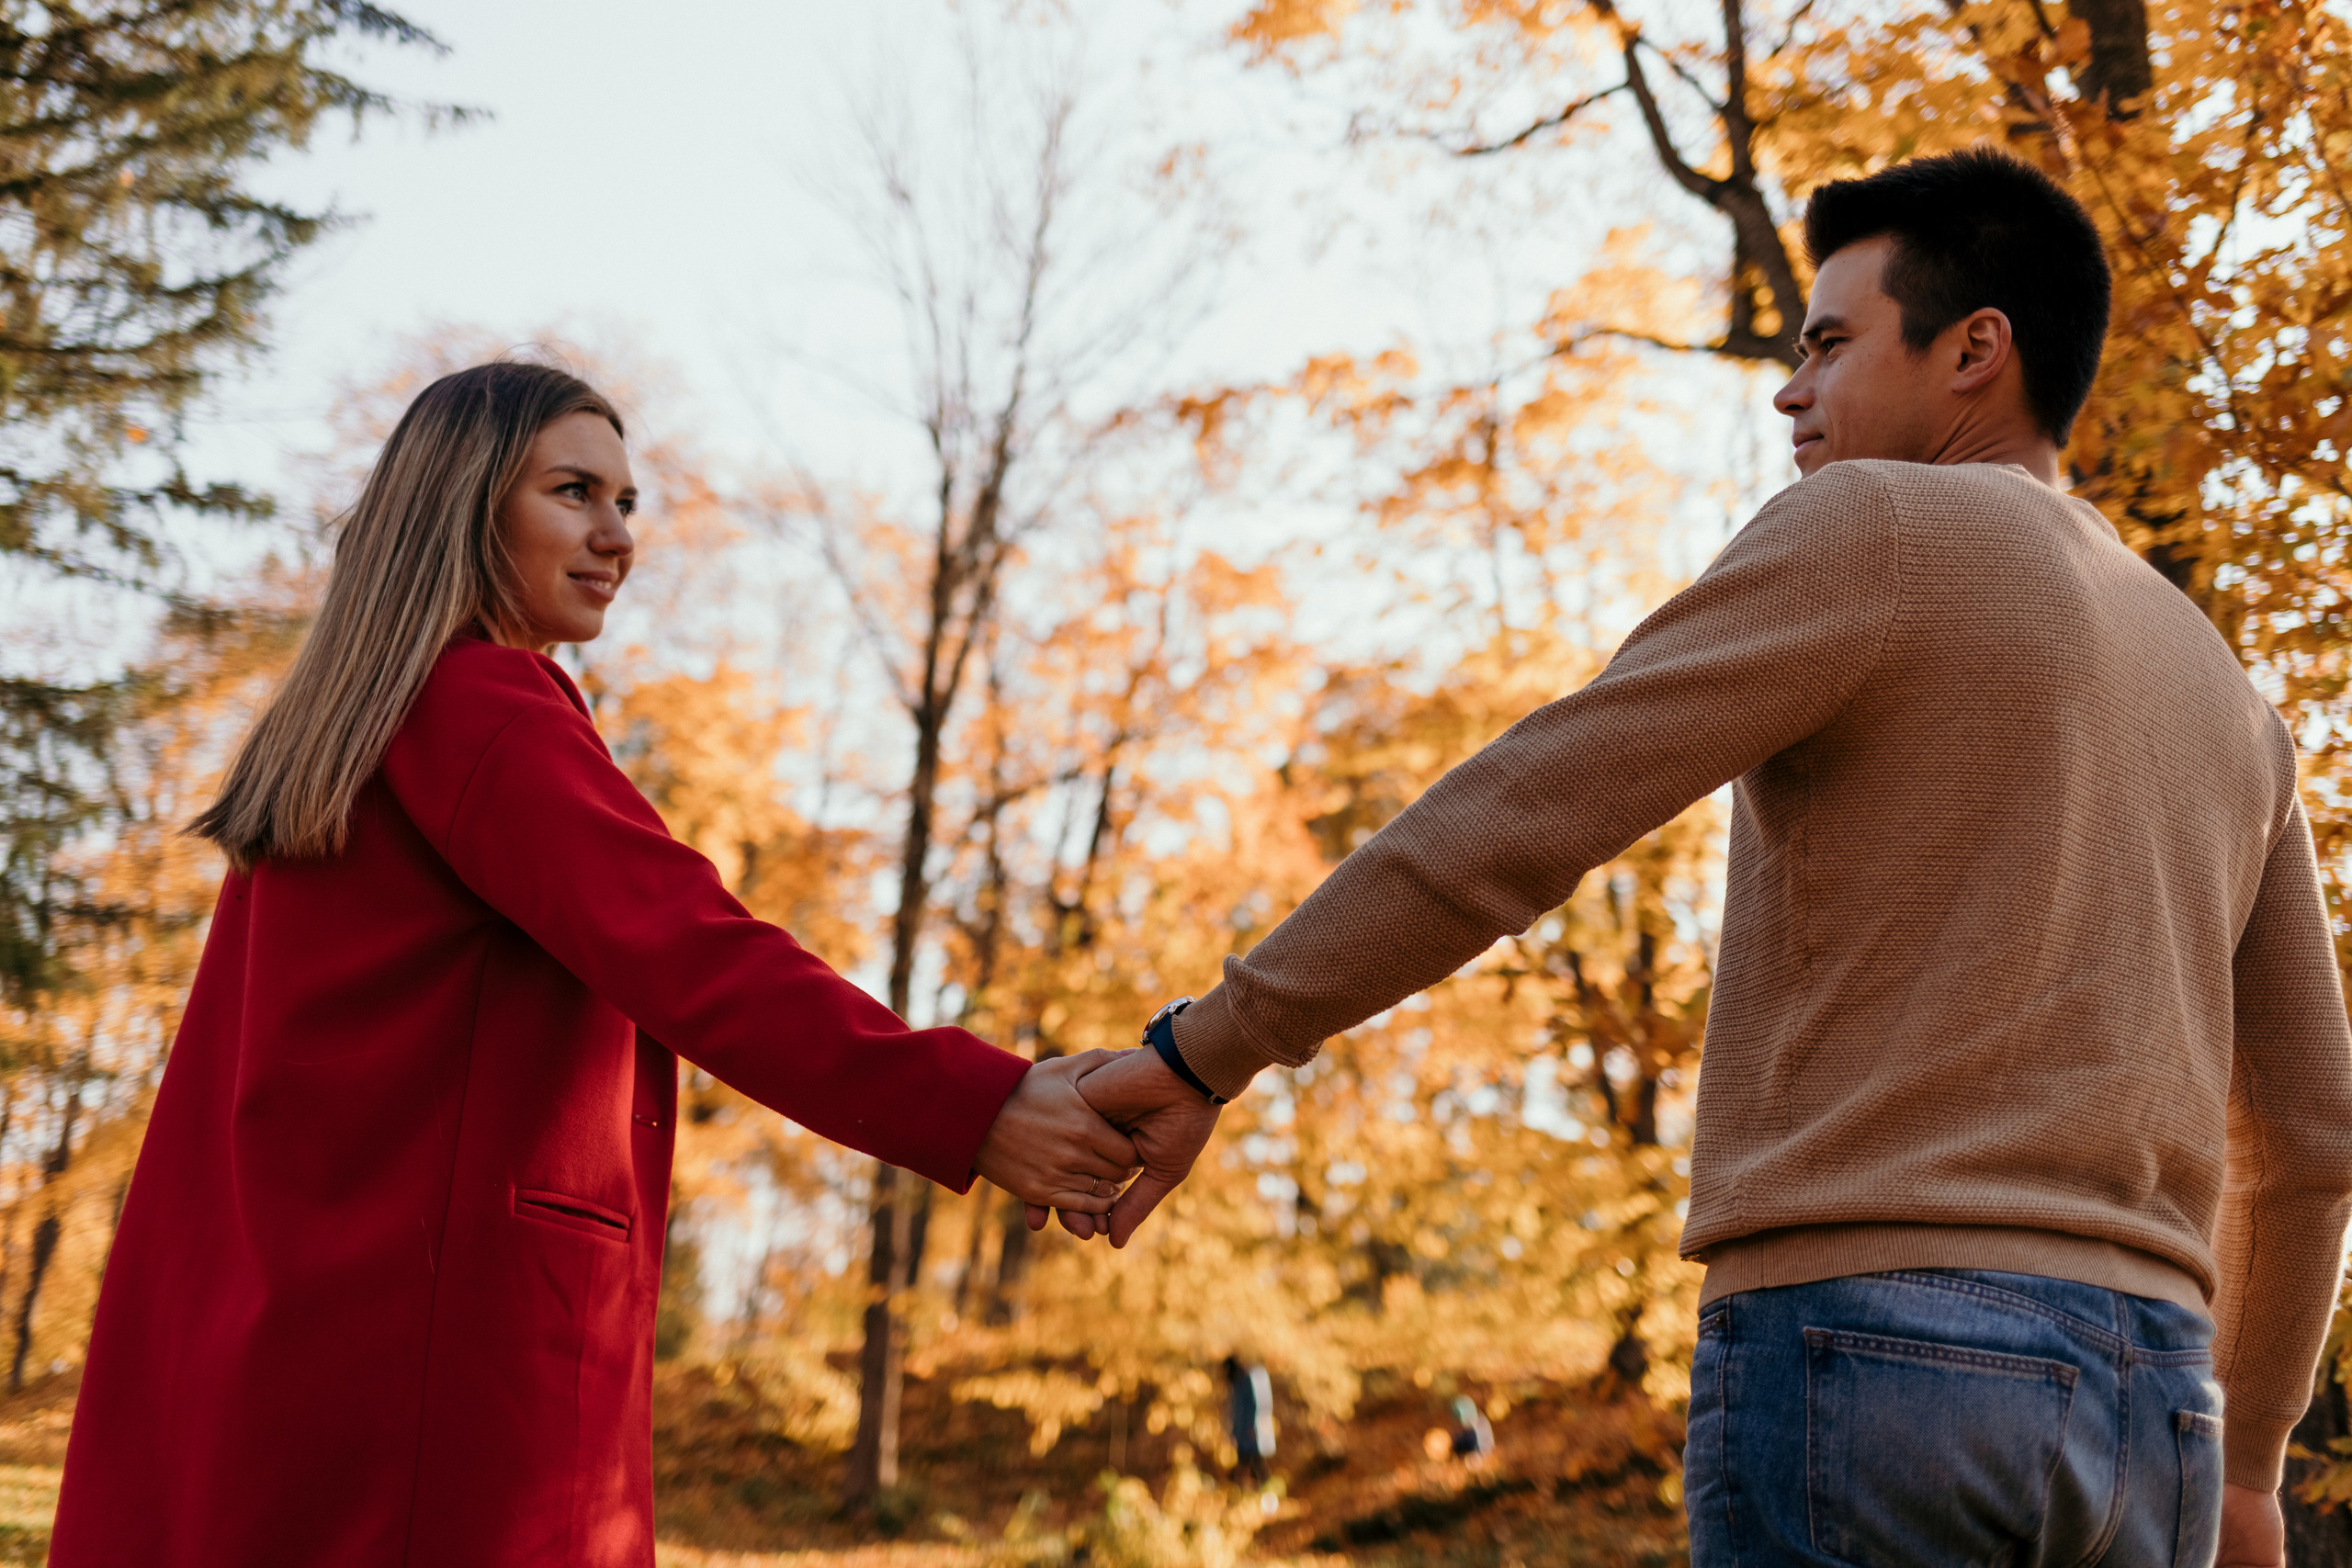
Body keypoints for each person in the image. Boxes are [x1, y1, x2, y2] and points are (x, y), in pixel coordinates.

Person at [1071, 148, 2352, 1567]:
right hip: (2156, 1414)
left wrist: (1211, 1045)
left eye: (1829, 343)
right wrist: (2245, 1467)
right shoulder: (2232, 695)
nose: (1789, 388)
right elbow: (2309, 1137)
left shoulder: (1875, 525)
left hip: (1877, 1351)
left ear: (1975, 350)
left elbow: (1523, 813)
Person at [47, 361, 1140, 1568]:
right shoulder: (485, 705)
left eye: (628, 501)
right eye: (575, 492)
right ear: (463, 503)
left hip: (291, 1331)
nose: (617, 535)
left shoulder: (346, 730)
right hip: (442, 1354)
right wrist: (978, 1105)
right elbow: (690, 949)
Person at [1223, 1354, 1275, 1486]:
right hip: (1243, 1434)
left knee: (1255, 1462)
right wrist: (1234, 1433)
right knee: (1244, 1462)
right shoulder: (1238, 1384)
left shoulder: (1251, 1380)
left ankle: (1264, 1488)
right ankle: (1242, 1489)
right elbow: (1236, 1412)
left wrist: (1254, 1428)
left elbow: (1258, 1406)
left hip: (1251, 1433)